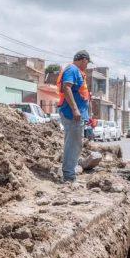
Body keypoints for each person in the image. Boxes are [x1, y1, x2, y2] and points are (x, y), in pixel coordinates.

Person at [57, 50, 92, 183]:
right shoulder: (72, 69)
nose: (87, 65)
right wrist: (76, 110)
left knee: (76, 143)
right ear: (83, 59)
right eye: (87, 62)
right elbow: (66, 88)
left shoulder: (77, 71)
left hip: (76, 115)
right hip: (72, 114)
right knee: (72, 144)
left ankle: (71, 171)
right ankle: (69, 176)